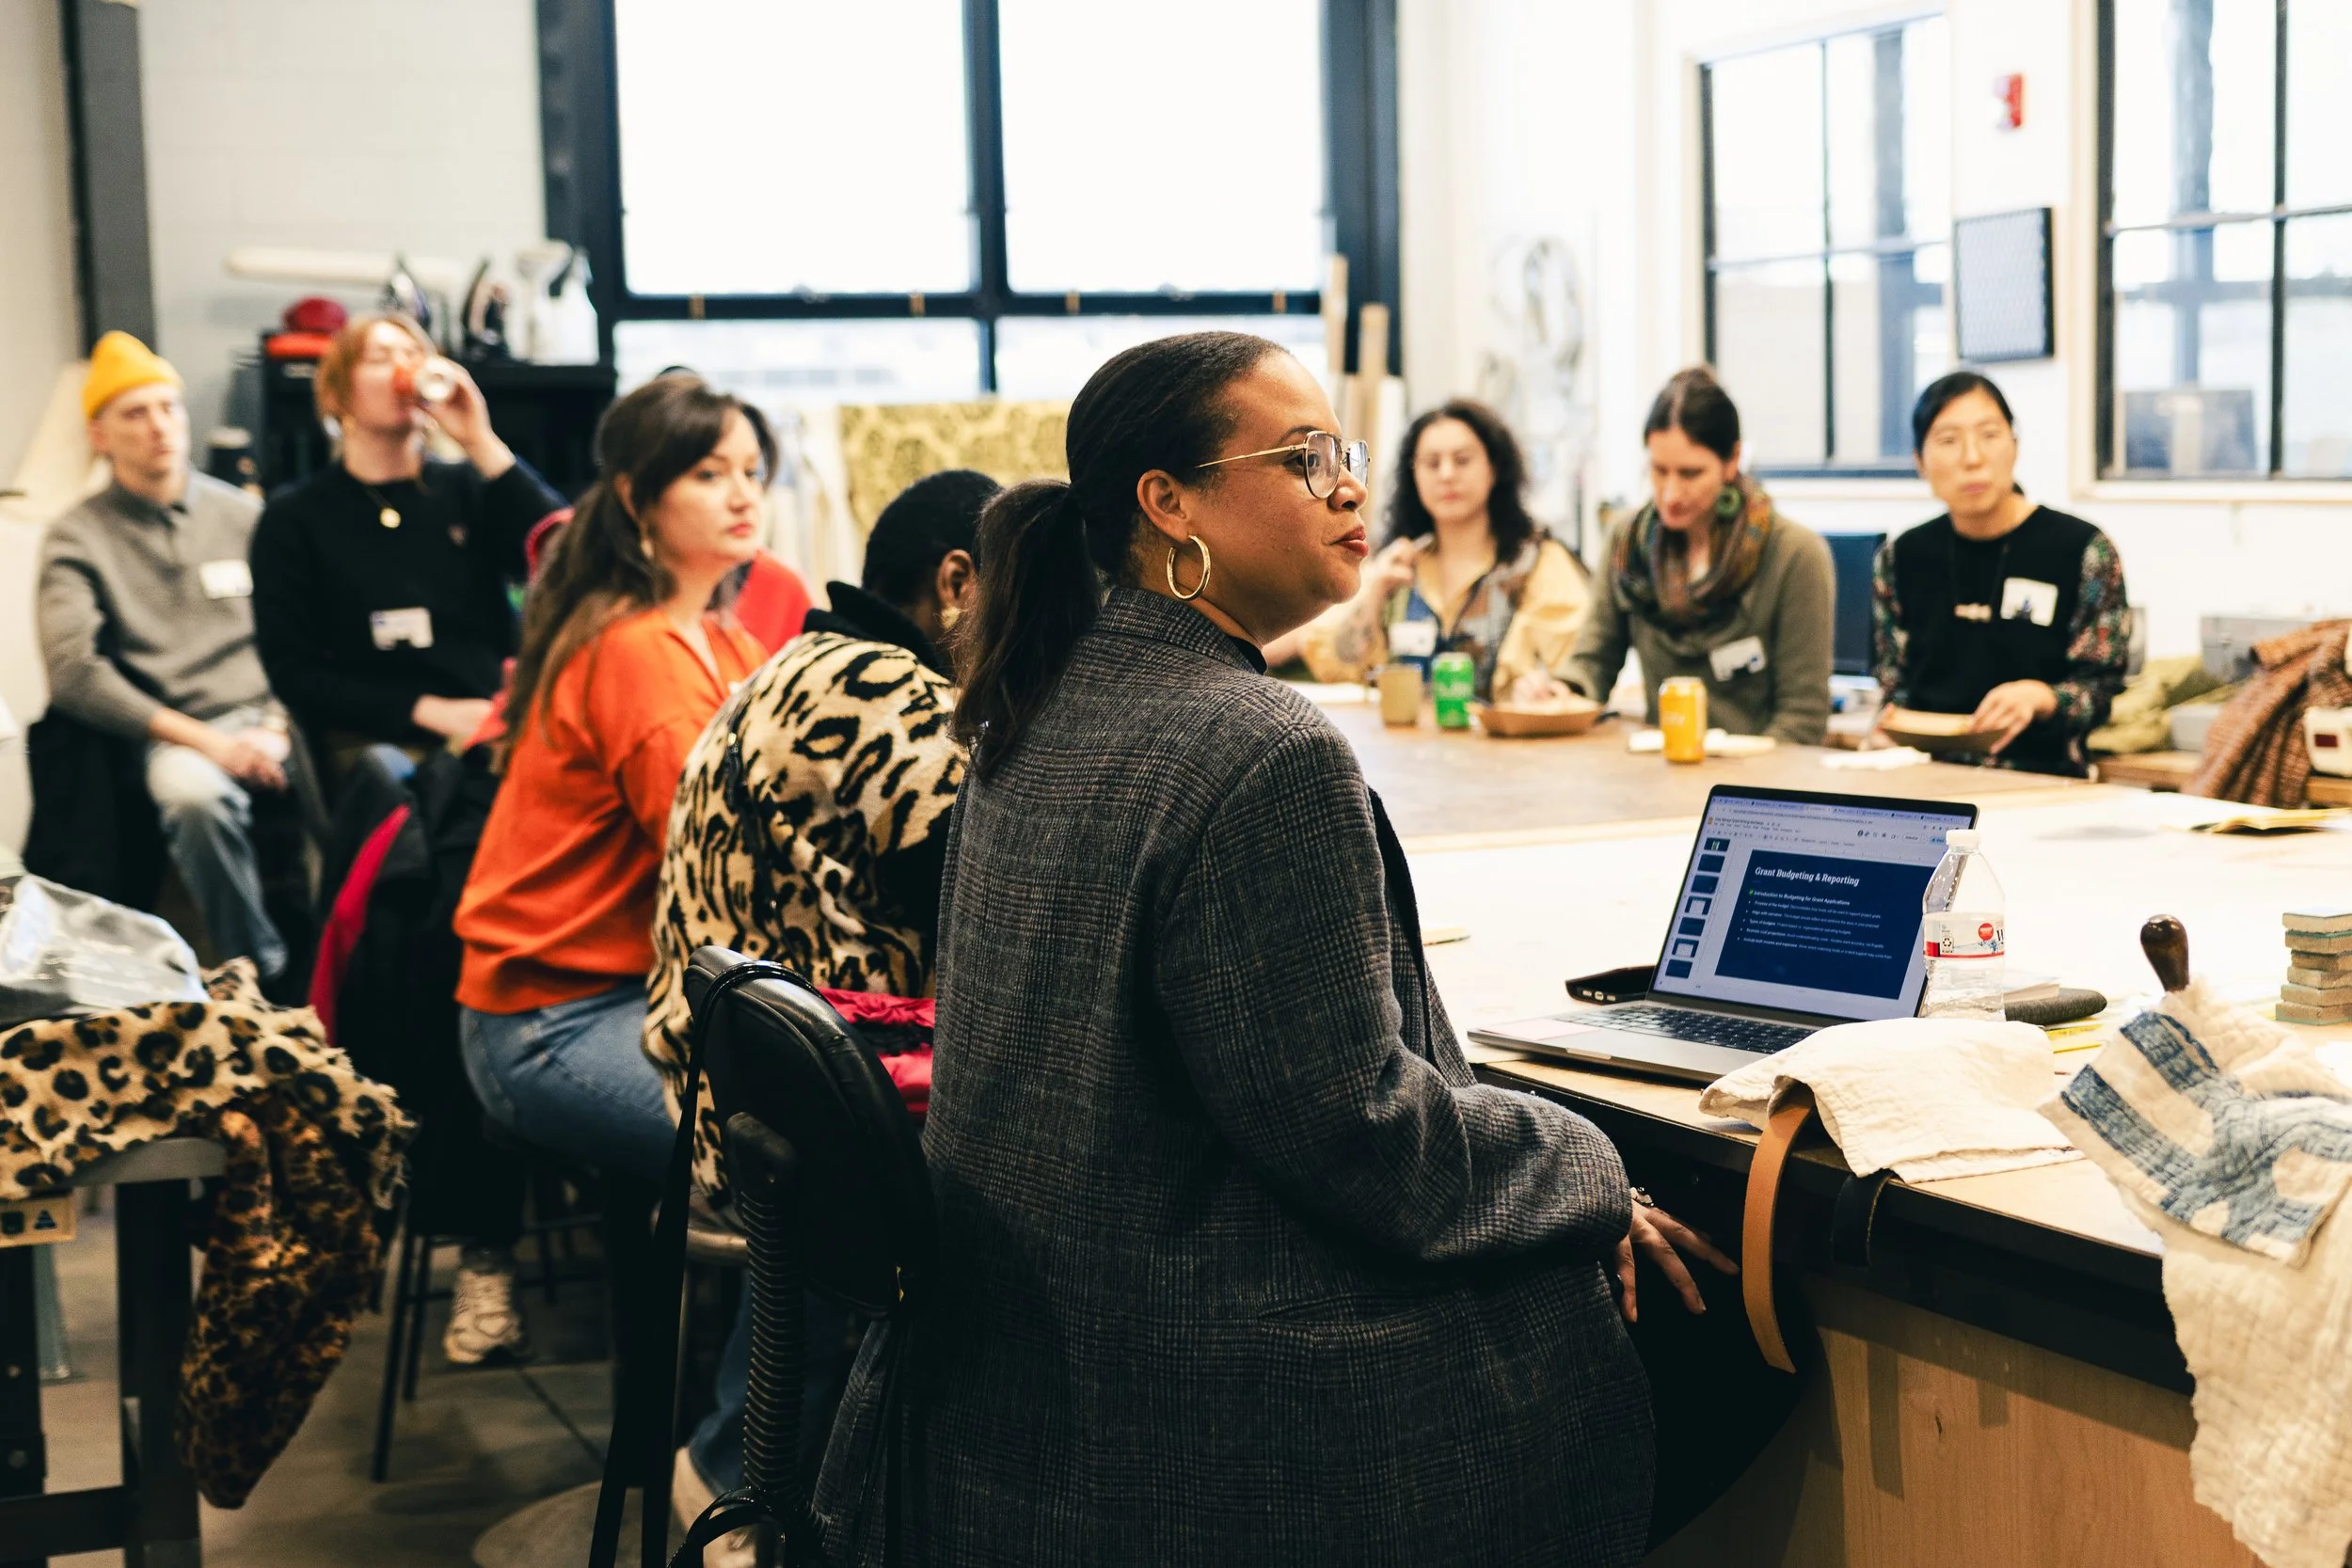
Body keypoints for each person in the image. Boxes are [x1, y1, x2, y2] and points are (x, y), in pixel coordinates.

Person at [814, 332, 1730, 1567]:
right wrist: (1586, 1159)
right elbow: (1363, 1135)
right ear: (1168, 503)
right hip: (1216, 1400)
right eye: (1305, 458)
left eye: (1345, 452)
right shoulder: (1258, 747)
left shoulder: (1039, 696)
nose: (1350, 485)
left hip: (1038, 1373)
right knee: (1710, 1310)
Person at [645, 467, 990, 1554]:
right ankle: (755, 1480)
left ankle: (770, 1469)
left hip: (733, 1075)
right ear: (956, 582)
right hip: (798, 1114)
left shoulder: (808, 659)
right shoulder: (891, 697)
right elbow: (988, 900)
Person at [452, 373, 770, 1535]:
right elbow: (733, 859)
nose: (742, 492)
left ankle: (789, 1467)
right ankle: (726, 1474)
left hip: (641, 1001)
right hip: (552, 1021)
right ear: (639, 502)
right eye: (708, 471)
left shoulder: (723, 632)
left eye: (750, 468)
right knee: (821, 1172)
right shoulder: (639, 647)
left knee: (857, 1149)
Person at [35, 331, 292, 982]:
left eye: (168, 407)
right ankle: (258, 976)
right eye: (135, 413)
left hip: (278, 715)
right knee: (192, 797)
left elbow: (301, 635)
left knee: (364, 782)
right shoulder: (79, 535)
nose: (158, 427)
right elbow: (73, 673)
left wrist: (278, 726)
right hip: (179, 730)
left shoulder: (247, 517)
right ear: (100, 435)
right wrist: (209, 742)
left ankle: (359, 969)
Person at [249, 313, 564, 784]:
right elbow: (295, 673)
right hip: (375, 740)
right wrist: (425, 710)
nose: (404, 369)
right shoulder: (296, 517)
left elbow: (565, 555)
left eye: (414, 356)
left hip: (492, 720)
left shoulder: (466, 487)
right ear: (337, 395)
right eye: (380, 358)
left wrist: (479, 439)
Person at [1872, 371, 2130, 776]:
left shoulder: (2082, 549)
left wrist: (2041, 696)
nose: (1972, 458)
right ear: (1919, 461)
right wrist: (1886, 731)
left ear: (2014, 445)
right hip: (1925, 780)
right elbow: (1894, 685)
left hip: (2039, 779)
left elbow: (2100, 688)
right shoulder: (1901, 556)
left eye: (1989, 435)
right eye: (1948, 441)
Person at [1564, 369, 1835, 743]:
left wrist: (1742, 791)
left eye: (1691, 473)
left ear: (1732, 460)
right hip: (1661, 777)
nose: (1671, 494)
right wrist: (1561, 694)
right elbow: (1592, 664)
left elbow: (1801, 719)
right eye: (1659, 471)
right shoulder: (1628, 543)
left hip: (1753, 790)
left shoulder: (1794, 555)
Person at [1299, 398, 1590, 701]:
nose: (1447, 475)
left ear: (1495, 468)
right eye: (1432, 463)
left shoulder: (1536, 562)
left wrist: (1545, 688)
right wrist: (1375, 593)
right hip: (1405, 744)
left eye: (1462, 460)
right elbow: (1334, 665)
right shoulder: (1396, 565)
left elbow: (1577, 669)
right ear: (1414, 475)